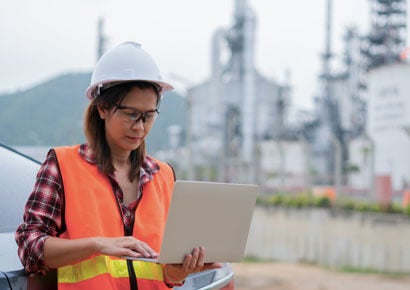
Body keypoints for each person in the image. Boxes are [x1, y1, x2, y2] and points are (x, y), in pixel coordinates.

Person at [15, 41, 221, 290]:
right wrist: (97, 244)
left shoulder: (164, 176)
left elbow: (162, 273)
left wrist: (177, 272)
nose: (140, 126)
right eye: (131, 114)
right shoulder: (62, 165)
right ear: (102, 108)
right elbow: (30, 248)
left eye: (149, 115)